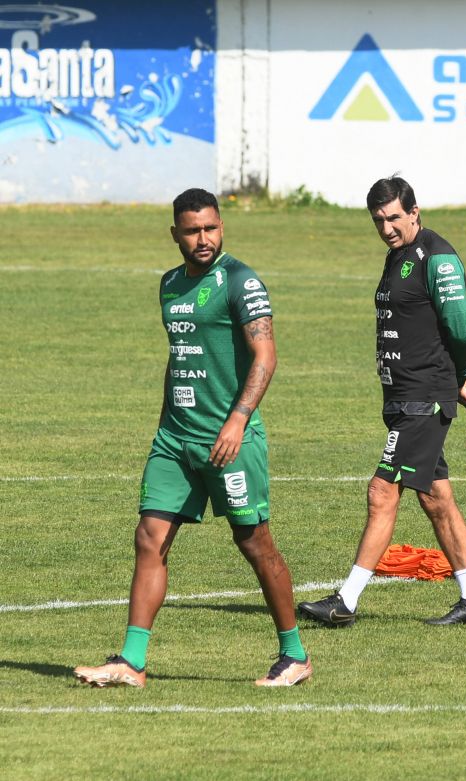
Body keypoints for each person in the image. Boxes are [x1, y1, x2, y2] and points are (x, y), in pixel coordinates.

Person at [74, 188, 311, 687]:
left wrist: (237, 420)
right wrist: (166, 422)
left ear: (221, 226)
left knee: (254, 542)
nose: (203, 239)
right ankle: (132, 662)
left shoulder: (241, 282)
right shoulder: (169, 285)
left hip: (230, 440)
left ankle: (294, 655)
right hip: (175, 439)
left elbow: (266, 356)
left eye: (210, 228)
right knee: (149, 538)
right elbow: (180, 357)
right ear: (175, 234)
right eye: (192, 230)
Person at [299, 176, 466, 628]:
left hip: (424, 396)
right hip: (404, 395)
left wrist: (455, 377)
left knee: (382, 490)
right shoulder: (397, 255)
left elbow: (461, 329)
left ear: (415, 212)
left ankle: (345, 601)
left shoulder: (437, 258)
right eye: (379, 221)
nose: (386, 227)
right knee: (436, 498)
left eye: (394, 218)